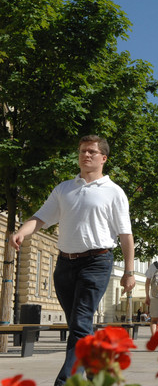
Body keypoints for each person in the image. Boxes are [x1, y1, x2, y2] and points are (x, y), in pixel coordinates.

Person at [9, 135, 135, 386]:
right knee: (80, 325)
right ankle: (95, 370)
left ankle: (65, 381)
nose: (85, 155)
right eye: (82, 151)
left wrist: (129, 271)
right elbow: (41, 217)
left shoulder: (114, 192)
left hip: (97, 262)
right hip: (64, 264)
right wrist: (21, 231)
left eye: (91, 151)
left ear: (103, 158)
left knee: (79, 322)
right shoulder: (64, 188)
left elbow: (125, 235)